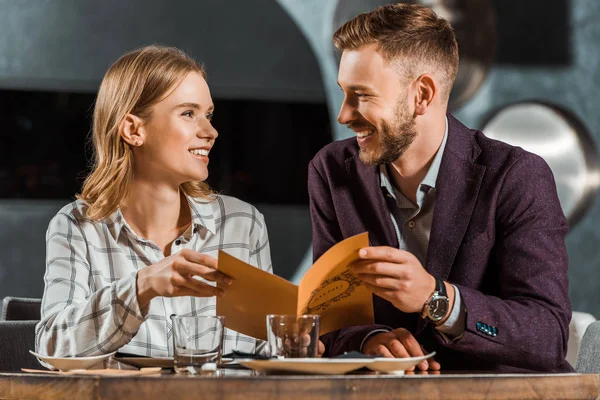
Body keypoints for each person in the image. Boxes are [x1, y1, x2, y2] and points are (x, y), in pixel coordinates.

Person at [309, 3, 572, 372]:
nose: (344, 114)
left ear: (422, 95)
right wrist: (368, 339)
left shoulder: (517, 176)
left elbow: (547, 335)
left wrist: (438, 299)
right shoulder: (332, 170)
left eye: (362, 95)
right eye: (344, 92)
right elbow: (330, 314)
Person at [35, 45, 272, 358]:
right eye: (188, 114)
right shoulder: (76, 227)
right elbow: (52, 346)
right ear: (134, 129)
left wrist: (295, 346)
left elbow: (265, 348)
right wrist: (141, 286)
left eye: (208, 115)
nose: (210, 131)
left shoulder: (244, 223)